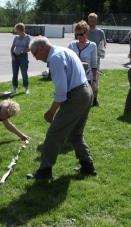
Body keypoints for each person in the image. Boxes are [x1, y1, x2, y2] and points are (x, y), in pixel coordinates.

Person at [27, 36, 96, 180]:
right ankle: (87, 166)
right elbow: (83, 67)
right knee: (76, 134)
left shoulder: (55, 58)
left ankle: (44, 171)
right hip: (86, 92)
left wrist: (51, 112)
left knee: (54, 134)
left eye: (34, 53)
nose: (35, 58)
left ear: (42, 48)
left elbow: (61, 91)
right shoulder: (63, 50)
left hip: (76, 96)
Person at [69, 20, 98, 102]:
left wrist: (94, 81)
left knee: (84, 101)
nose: (79, 37)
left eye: (81, 34)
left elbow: (94, 64)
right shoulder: (72, 45)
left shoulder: (92, 45)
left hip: (86, 78)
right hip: (73, 78)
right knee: (74, 101)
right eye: (77, 34)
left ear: (86, 32)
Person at [87, 12, 107, 106]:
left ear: (96, 21)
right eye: (90, 20)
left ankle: (95, 99)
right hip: (84, 60)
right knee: (85, 80)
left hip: (96, 60)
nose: (92, 22)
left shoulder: (100, 32)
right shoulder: (84, 31)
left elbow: (103, 45)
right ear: (88, 20)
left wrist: (101, 52)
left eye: (94, 20)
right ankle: (86, 99)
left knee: (95, 80)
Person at [11, 23, 31, 95]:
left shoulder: (28, 37)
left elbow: (29, 48)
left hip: (23, 57)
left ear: (20, 29)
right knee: (14, 73)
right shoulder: (16, 37)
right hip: (15, 57)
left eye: (16, 29)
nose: (16, 31)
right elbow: (12, 47)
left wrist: (22, 51)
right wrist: (12, 56)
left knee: (24, 73)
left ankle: (26, 88)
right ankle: (14, 88)